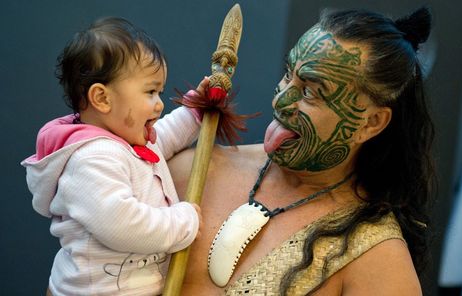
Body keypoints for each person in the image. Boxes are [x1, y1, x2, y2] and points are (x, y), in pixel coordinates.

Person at [169, 6, 435, 295]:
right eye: (287, 75)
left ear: (371, 122)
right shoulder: (197, 167)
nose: (281, 100)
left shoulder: (378, 260)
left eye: (310, 92)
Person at [21, 17, 207, 295]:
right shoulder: (91, 159)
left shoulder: (128, 138)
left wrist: (195, 111)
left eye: (160, 92)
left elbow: (165, 137)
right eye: (150, 91)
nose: (159, 104)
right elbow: (124, 224)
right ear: (103, 99)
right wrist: (184, 221)